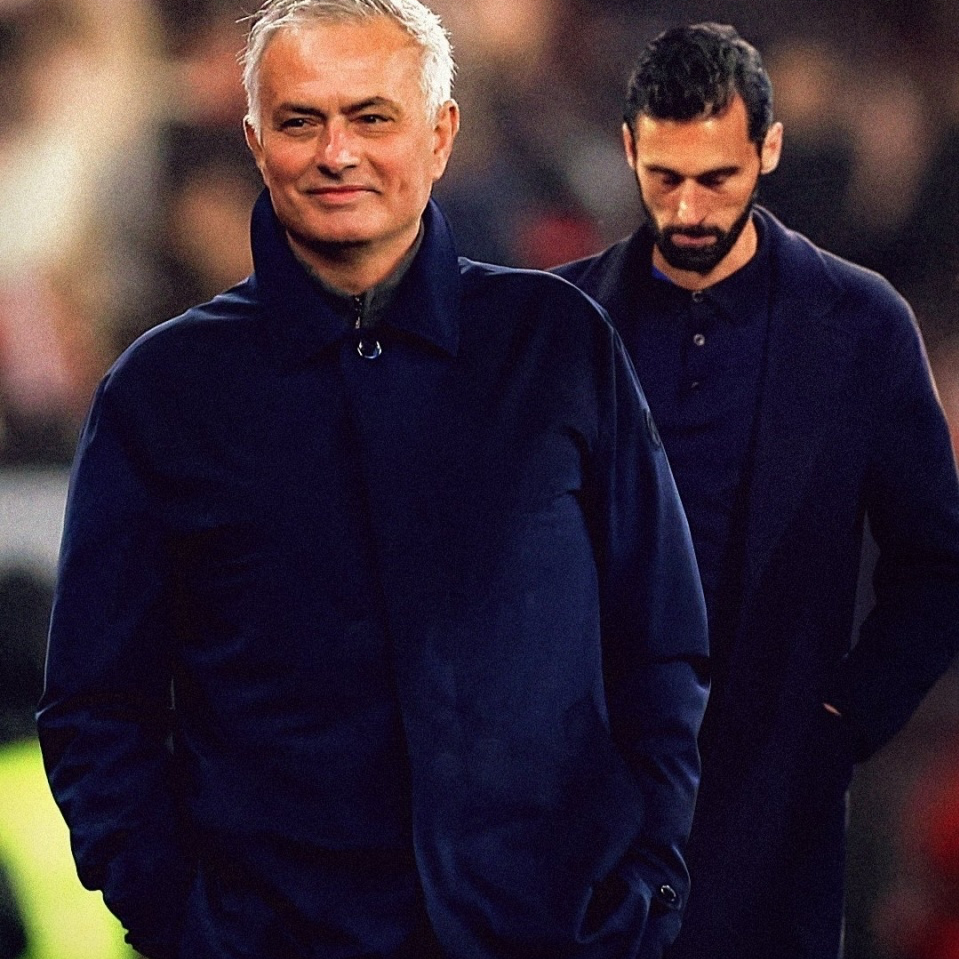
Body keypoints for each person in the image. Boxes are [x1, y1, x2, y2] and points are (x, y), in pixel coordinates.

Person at [37, 3, 709, 958]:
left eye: (372, 117)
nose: (336, 153)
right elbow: (97, 707)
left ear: (439, 135)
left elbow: (664, 646)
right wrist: (188, 926)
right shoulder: (162, 392)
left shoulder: (558, 345)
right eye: (300, 121)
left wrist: (642, 894)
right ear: (255, 142)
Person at [553, 22, 959, 959]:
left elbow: (936, 562)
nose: (689, 207)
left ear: (768, 150)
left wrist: (844, 717)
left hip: (773, 815)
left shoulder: (859, 324)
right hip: (586, 812)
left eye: (718, 177)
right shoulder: (557, 327)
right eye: (665, 177)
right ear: (627, 150)